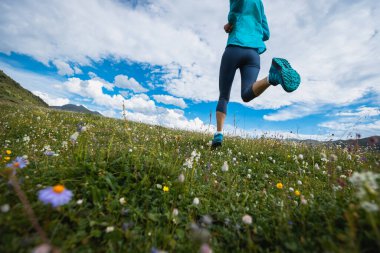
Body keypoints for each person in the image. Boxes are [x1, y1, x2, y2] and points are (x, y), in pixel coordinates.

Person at [211, 0, 301, 148]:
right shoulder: (259, 3)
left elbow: (236, 7)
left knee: (223, 96)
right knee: (246, 95)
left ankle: (219, 134)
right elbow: (266, 33)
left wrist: (230, 24)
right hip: (253, 55)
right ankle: (272, 77)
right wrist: (253, 31)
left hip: (234, 47)